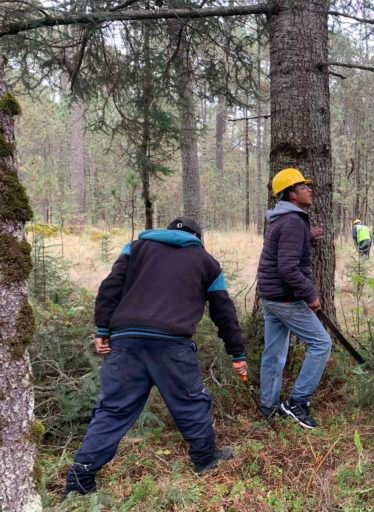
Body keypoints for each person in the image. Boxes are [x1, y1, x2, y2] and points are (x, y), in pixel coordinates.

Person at [64, 216, 247, 496]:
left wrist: (103, 330)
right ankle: (205, 459)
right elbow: (223, 311)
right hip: (172, 345)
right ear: (198, 237)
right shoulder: (206, 261)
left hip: (126, 342)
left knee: (113, 410)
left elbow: (109, 288)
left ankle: (79, 480)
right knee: (190, 404)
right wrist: (237, 352)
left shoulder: (135, 248)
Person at [257, 167, 332, 429]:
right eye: (303, 187)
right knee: (322, 343)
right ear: (291, 194)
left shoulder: (285, 221)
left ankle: (268, 406)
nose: (309, 190)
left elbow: (284, 249)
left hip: (270, 296)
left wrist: (306, 238)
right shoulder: (292, 222)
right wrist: (310, 295)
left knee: (274, 353)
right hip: (285, 298)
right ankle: (297, 402)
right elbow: (287, 268)